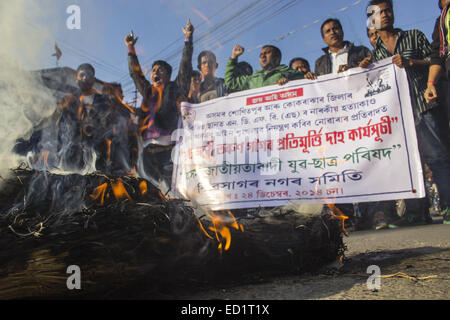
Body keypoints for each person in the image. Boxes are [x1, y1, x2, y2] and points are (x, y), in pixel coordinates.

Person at [366, 0, 450, 225]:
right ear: (371, 19)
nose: (384, 15)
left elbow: (435, 60)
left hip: (424, 107)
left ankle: (447, 206)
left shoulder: (413, 35)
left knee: (437, 158)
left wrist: (411, 62)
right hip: (399, 117)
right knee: (410, 164)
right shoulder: (376, 54)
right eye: (378, 13)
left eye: (387, 10)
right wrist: (363, 70)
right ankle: (416, 212)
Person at [125, 20, 192, 187]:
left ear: (168, 76)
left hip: (169, 151)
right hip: (146, 153)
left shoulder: (175, 88)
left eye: (160, 70)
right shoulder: (148, 92)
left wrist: (188, 40)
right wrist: (130, 49)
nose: (156, 72)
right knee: (147, 192)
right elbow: (136, 75)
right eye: (154, 70)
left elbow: (185, 67)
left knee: (172, 192)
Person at [225, 44, 305, 92]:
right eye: (261, 55)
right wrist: (234, 57)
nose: (262, 56)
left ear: (277, 58)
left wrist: (289, 83)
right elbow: (230, 81)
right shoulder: (253, 79)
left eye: (267, 53)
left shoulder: (288, 73)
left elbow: (308, 80)